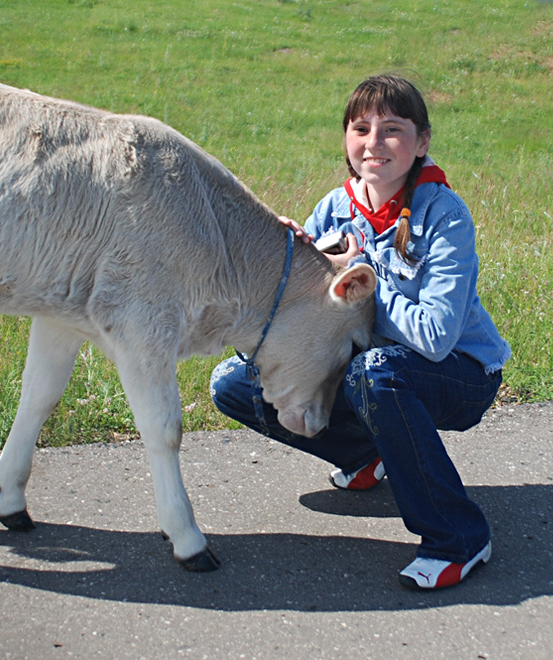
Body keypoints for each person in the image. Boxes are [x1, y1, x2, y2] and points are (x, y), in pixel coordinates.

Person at [209, 74, 511, 590]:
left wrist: (363, 278)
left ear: (422, 142)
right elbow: (301, 311)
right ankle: (363, 452)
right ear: (347, 138)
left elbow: (437, 337)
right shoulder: (335, 206)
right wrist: (288, 261)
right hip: (371, 371)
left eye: (392, 129)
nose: (374, 143)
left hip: (459, 374)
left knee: (375, 374)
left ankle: (459, 537)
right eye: (361, 128)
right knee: (234, 383)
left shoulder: (445, 216)